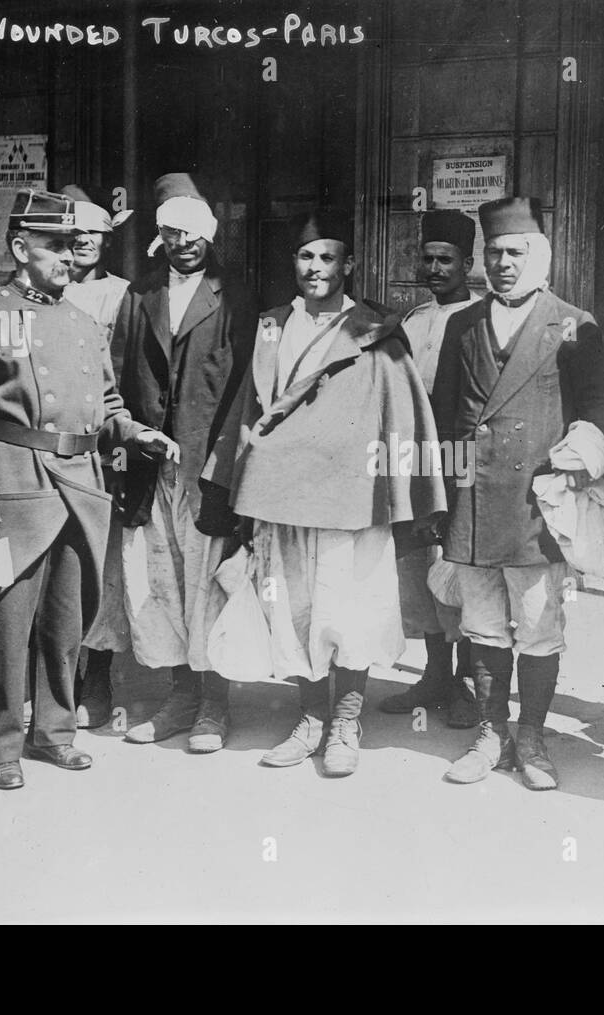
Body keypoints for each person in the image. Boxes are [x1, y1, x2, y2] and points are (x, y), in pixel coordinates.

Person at [0, 189, 177, 791]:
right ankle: (3, 747)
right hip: (17, 484)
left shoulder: (83, 321)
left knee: (66, 621)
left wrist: (138, 433)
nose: (69, 257)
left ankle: (55, 733)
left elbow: (107, 402)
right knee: (6, 625)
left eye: (75, 245)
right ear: (20, 248)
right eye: (54, 245)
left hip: (81, 486)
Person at [207, 209, 445, 777]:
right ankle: (310, 716)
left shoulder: (374, 327)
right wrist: (236, 472)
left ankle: (345, 722)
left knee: (351, 610)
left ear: (349, 265)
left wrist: (401, 489)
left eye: (328, 258)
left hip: (351, 497)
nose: (315, 269)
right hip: (282, 494)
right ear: (294, 263)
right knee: (292, 609)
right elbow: (250, 405)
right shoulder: (271, 324)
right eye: (306, 258)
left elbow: (400, 408)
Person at [430, 196, 604, 791]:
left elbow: (596, 410)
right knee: (482, 624)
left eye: (516, 252)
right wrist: (449, 502)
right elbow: (445, 419)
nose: (503, 263)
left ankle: (531, 736)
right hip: (477, 504)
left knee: (536, 623)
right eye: (494, 253)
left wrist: (580, 453)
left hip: (536, 505)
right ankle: (491, 733)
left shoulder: (573, 324)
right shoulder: (463, 323)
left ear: (540, 255)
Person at [113, 173, 257, 752]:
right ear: (160, 237)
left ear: (210, 235)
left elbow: (249, 386)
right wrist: (136, 434)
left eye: (193, 232)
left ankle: (214, 707)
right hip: (153, 464)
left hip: (208, 466)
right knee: (163, 579)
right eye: (172, 232)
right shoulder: (139, 295)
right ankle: (180, 697)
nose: (184, 243)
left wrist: (227, 464)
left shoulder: (236, 296)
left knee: (208, 582)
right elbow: (121, 376)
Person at [378, 208, 480, 728]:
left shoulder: (484, 317)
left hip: (460, 459)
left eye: (447, 260)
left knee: (458, 569)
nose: (436, 268)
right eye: (430, 258)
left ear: (467, 263)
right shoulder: (413, 321)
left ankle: (467, 682)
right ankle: (435, 673)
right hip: (416, 459)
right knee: (417, 568)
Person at [59, 183, 135, 729]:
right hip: (49, 443)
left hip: (105, 444)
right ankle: (53, 675)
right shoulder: (45, 289)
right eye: (74, 232)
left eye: (94, 233)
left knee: (102, 562)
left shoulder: (124, 295)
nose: (84, 241)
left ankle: (99, 676)